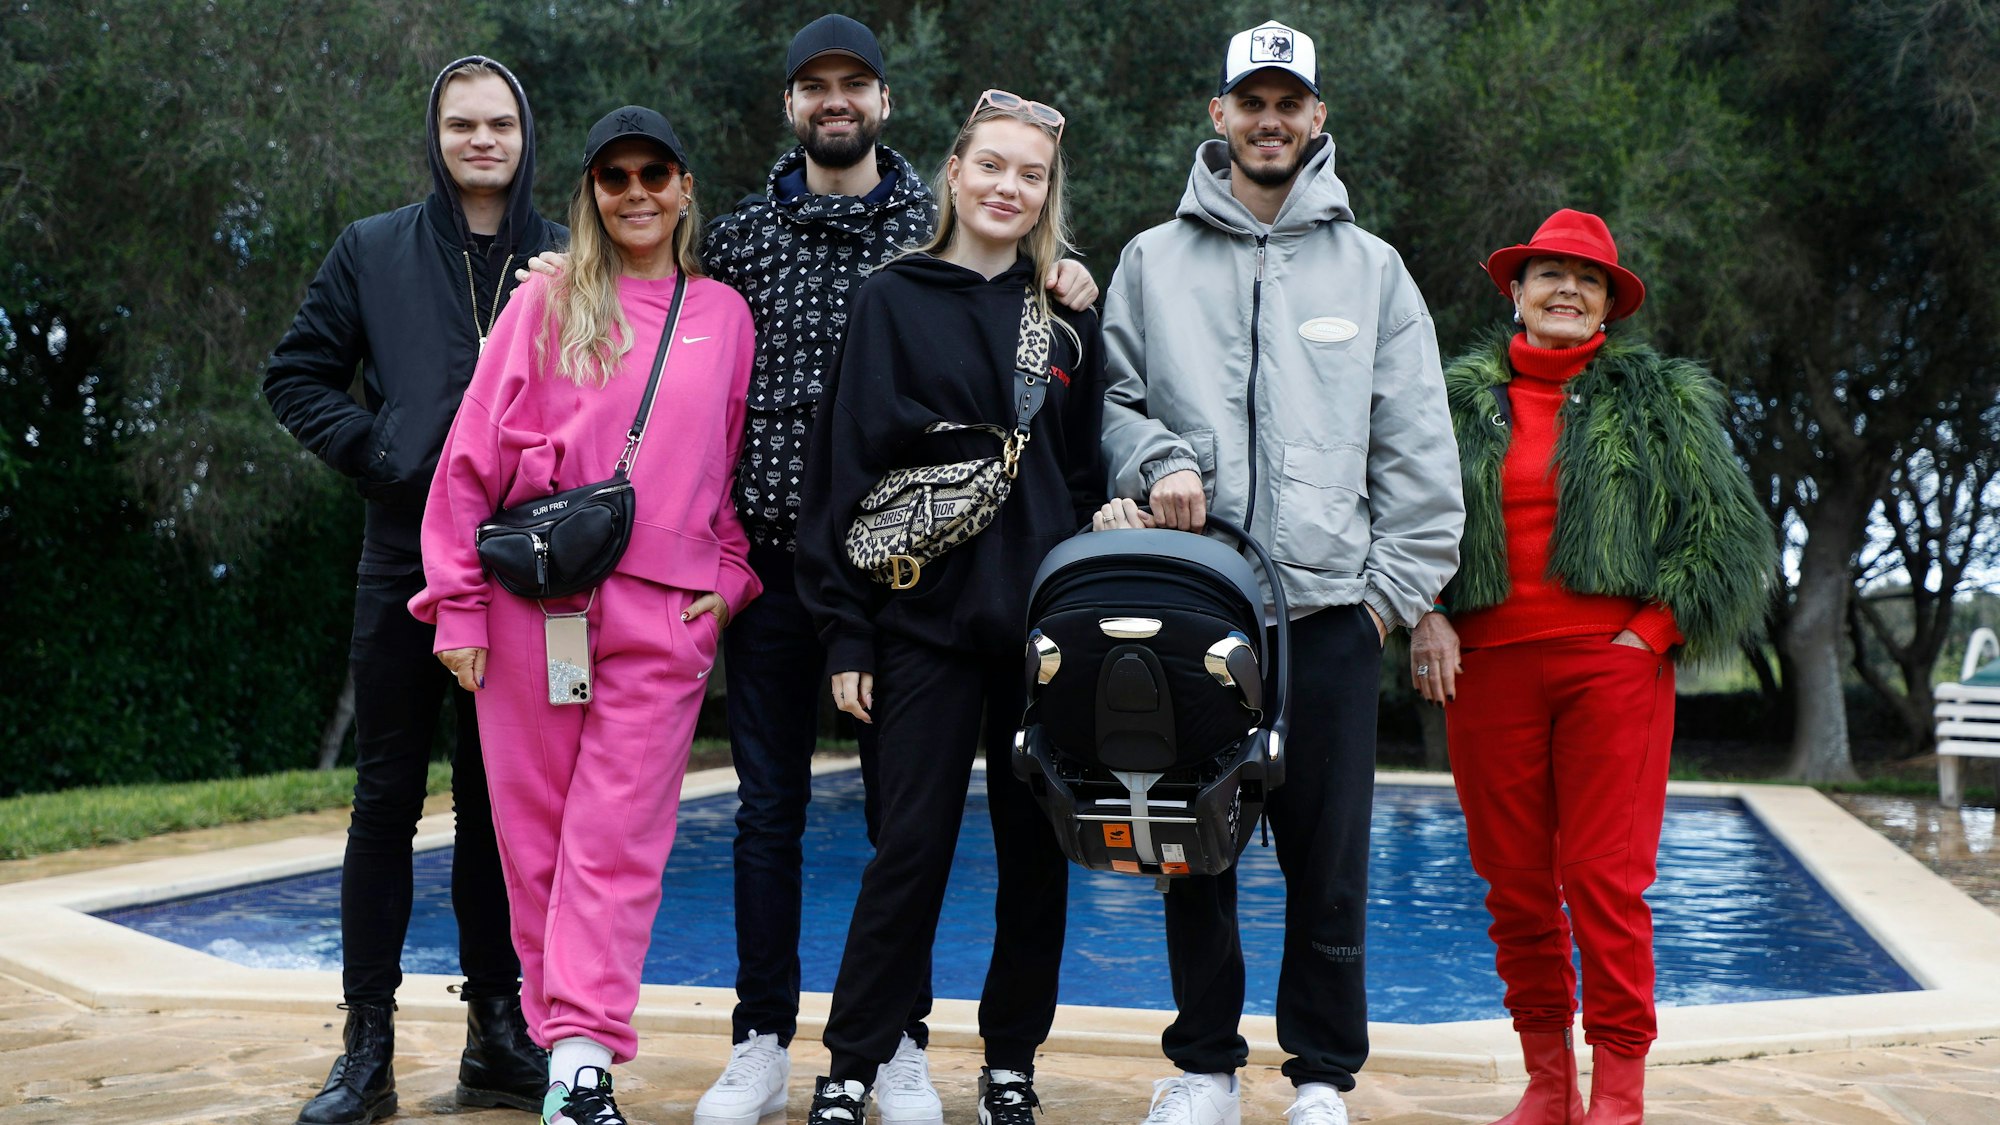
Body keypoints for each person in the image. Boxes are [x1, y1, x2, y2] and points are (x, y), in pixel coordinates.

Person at [522, 17, 1097, 1125]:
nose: (834, 102)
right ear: (791, 106)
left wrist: (1059, 272)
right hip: (768, 576)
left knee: (905, 823)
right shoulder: (735, 240)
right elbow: (640, 283)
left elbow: (1035, 340)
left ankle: (898, 1047)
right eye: (813, 87)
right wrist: (558, 266)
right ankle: (759, 1038)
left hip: (911, 592)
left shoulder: (933, 241)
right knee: (767, 815)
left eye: (854, 86)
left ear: (886, 105)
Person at [1093, 20, 1463, 1125]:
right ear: (1218, 116)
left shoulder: (1375, 270)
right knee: (1190, 849)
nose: (1267, 120)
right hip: (1190, 610)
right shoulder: (1151, 260)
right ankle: (1202, 1067)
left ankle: (1317, 1078)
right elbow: (1111, 406)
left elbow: (1416, 454)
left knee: (1328, 862)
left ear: (1314, 119)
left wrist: (1381, 602)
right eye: (1247, 101)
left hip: (1328, 617)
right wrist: (1157, 458)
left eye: (1285, 103)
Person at [411, 105, 760, 1125]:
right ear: (592, 195)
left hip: (663, 619)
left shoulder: (723, 316)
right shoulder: (547, 299)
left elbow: (726, 474)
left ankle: (578, 1061)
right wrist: (458, 613)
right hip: (535, 612)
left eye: (657, 172)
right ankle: (571, 1054)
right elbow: (469, 460)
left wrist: (729, 581)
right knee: (535, 841)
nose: (638, 192)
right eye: (616, 178)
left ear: (685, 187)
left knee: (617, 841)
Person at [1410, 209, 1772, 1125]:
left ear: (1609, 302)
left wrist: (1647, 636)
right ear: (1516, 291)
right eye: (1548, 274)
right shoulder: (1452, 401)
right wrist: (1428, 613)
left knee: (1604, 878)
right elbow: (1400, 514)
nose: (1566, 289)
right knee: (1515, 883)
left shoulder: (1656, 398)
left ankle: (1618, 1088)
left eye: (1588, 278)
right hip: (1483, 666)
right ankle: (1546, 1083)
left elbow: (1725, 534)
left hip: (1610, 665)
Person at [794, 89, 1105, 1125]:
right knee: (908, 849)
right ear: (955, 174)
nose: (1008, 187)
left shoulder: (1063, 319)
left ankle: (1009, 1061)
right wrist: (845, 627)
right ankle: (855, 1060)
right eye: (992, 167)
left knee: (1035, 859)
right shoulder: (888, 299)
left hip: (1039, 639)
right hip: (919, 626)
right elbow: (841, 472)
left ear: (1045, 193)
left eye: (1031, 175)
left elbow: (1084, 469)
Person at [262, 55, 562, 1125]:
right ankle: (367, 1046)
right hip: (403, 560)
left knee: (497, 810)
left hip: (527, 570)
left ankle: (497, 1030)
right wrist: (382, 448)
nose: (481, 141)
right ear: (435, 137)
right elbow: (294, 375)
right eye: (460, 125)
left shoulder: (569, 259)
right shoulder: (374, 250)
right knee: (386, 801)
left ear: (527, 136)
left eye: (499, 125)